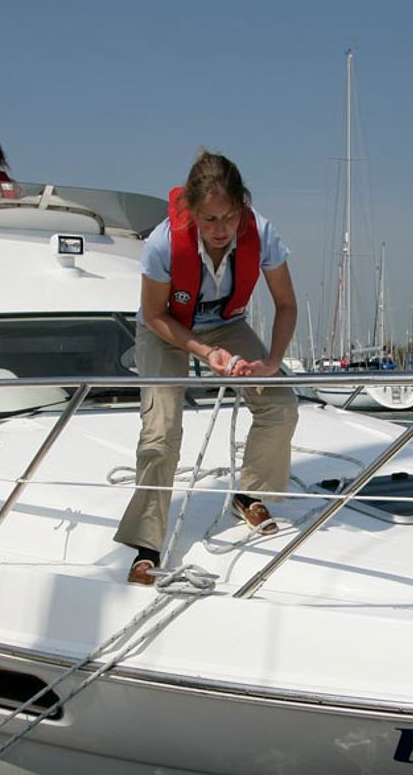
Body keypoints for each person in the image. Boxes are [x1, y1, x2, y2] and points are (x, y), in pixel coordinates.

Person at [115, 150, 299, 585]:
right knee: (161, 434)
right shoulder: (162, 243)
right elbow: (156, 315)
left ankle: (249, 494)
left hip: (226, 322)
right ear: (193, 212)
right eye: (210, 219)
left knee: (281, 405)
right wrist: (203, 352)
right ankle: (147, 543)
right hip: (168, 329)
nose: (221, 230)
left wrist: (272, 362)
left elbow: (286, 304)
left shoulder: (263, 234)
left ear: (242, 207)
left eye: (229, 217)